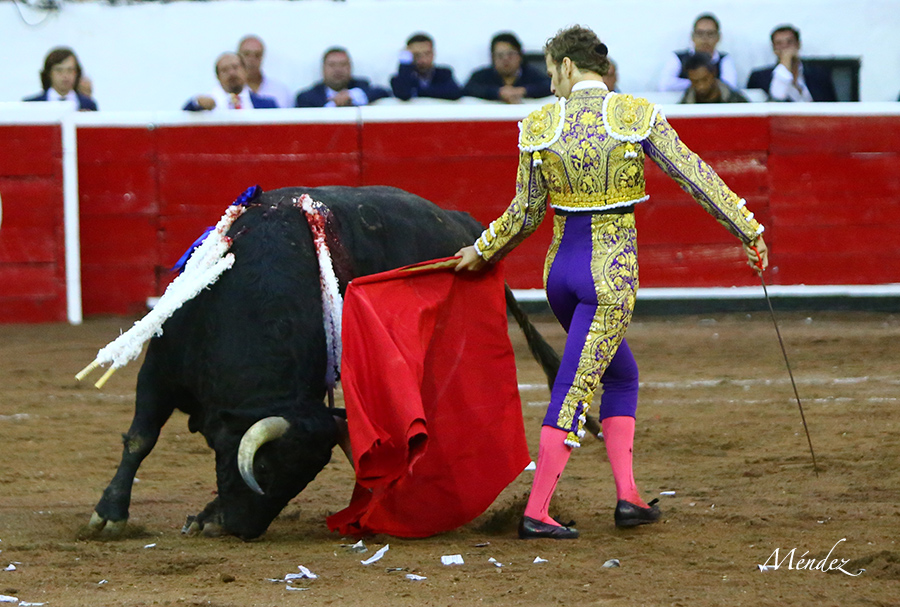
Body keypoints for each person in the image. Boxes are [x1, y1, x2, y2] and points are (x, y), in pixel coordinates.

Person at [455, 25, 768, 539]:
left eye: (552, 68)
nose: (550, 79)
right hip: (610, 275)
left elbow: (526, 212)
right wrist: (748, 230)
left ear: (569, 66)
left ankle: (628, 498)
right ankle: (537, 511)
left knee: (620, 374)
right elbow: (694, 174)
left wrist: (483, 249)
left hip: (561, 273)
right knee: (576, 386)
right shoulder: (633, 115)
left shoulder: (538, 124)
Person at [746, 25, 837, 102]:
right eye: (779, 43)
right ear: (773, 48)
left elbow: (832, 105)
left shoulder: (818, 74)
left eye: (789, 42)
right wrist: (785, 62)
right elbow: (777, 98)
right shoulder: (759, 78)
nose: (785, 47)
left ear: (798, 44)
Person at [658, 13, 738, 93]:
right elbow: (664, 85)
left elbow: (730, 86)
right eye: (700, 33)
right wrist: (700, 83)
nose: (705, 39)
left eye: (710, 34)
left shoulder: (724, 59)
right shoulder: (678, 58)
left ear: (718, 37)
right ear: (692, 36)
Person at [463, 32, 551, 103]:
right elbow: (468, 89)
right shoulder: (482, 76)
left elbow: (548, 86)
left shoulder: (531, 74)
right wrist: (498, 92)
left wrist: (523, 91)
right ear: (493, 58)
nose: (506, 60)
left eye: (510, 55)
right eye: (500, 56)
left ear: (520, 56)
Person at [295, 47, 390, 107]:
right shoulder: (308, 97)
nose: (338, 69)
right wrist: (333, 104)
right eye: (332, 65)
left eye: (343, 64)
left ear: (350, 68)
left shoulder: (361, 85)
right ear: (323, 69)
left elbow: (384, 92)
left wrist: (352, 95)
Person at [183, 52, 278, 112]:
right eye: (225, 70)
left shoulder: (267, 105)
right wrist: (198, 103)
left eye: (235, 67)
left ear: (245, 71)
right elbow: (184, 116)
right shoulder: (208, 104)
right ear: (218, 77)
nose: (232, 73)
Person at [390, 33, 463, 101]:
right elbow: (403, 93)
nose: (422, 59)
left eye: (427, 54)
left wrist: (416, 91)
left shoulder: (444, 73)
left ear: (433, 53)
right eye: (417, 55)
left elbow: (454, 92)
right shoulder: (402, 77)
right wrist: (405, 62)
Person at [23, 47, 98, 111]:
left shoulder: (88, 105)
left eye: (70, 70)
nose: (65, 75)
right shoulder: (31, 105)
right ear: (49, 73)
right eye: (59, 70)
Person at [237, 35, 293, 108]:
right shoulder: (227, 92)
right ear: (237, 56)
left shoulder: (280, 91)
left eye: (257, 55)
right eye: (246, 54)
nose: (251, 59)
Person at [680, 53, 749, 103]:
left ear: (714, 73)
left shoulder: (736, 100)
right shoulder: (685, 104)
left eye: (705, 79)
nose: (701, 86)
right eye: (695, 82)